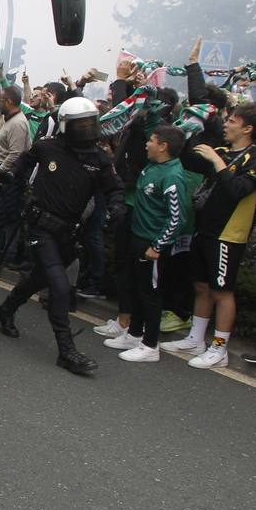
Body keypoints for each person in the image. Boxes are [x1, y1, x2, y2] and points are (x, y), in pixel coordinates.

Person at [0, 97, 125, 375]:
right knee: (59, 287)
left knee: (39, 277)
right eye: (81, 125)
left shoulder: (99, 158)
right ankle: (66, 351)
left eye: (91, 124)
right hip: (41, 227)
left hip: (69, 234)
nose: (87, 130)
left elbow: (114, 188)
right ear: (66, 125)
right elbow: (23, 163)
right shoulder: (47, 146)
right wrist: (8, 176)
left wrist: (116, 206)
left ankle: (5, 310)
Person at [162, 102, 256, 368]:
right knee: (201, 286)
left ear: (248, 128)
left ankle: (219, 348)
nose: (226, 124)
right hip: (204, 229)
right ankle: (196, 339)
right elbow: (188, 160)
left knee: (222, 291)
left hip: (229, 235)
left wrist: (217, 161)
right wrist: (189, 133)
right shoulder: (222, 151)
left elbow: (238, 190)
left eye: (232, 121)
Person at [102, 126, 189, 362]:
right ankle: (134, 333)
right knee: (139, 289)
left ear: (163, 146)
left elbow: (177, 218)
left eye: (151, 140)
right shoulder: (153, 166)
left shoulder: (172, 176)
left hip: (152, 244)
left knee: (151, 294)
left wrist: (158, 246)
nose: (146, 143)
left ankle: (150, 345)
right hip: (138, 237)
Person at [0, 85, 31, 275]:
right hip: (2, 175)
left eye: (1, 100)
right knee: (0, 216)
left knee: (2, 216)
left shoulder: (18, 124)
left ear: (10, 102)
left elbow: (16, 154)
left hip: (9, 178)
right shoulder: (8, 120)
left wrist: (0, 171)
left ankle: (2, 254)